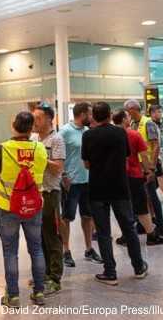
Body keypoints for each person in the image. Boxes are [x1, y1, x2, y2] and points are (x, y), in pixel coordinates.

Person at [82, 102, 148, 285]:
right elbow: (127, 155)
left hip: (97, 189)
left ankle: (110, 272)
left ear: (93, 116)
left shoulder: (88, 135)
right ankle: (139, 267)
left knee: (103, 232)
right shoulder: (120, 133)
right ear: (110, 115)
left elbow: (86, 164)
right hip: (120, 187)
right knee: (129, 228)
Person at [0, 111, 48, 307]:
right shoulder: (40, 148)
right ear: (31, 127)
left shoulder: (3, 148)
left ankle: (13, 296)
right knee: (37, 249)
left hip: (8, 206)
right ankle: (39, 292)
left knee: (10, 252)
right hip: (34, 206)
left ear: (13, 125)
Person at [112, 109, 163, 246]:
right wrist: (149, 171)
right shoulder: (134, 135)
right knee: (141, 207)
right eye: (127, 116)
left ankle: (126, 235)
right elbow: (143, 156)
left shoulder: (111, 134)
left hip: (118, 176)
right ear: (124, 119)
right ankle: (151, 235)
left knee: (124, 207)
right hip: (135, 175)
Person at [58, 102, 102, 268]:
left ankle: (89, 248)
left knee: (87, 216)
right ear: (82, 114)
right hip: (71, 182)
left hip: (87, 181)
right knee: (67, 217)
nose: (92, 117)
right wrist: (63, 175)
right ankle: (66, 251)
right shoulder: (64, 132)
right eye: (90, 114)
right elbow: (57, 154)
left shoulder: (87, 132)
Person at [32, 104, 65, 297]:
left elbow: (58, 168)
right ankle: (44, 273)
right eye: (33, 118)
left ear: (49, 119)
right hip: (36, 192)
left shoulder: (57, 139)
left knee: (52, 235)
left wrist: (39, 157)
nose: (34, 122)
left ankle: (55, 278)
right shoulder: (34, 138)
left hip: (50, 193)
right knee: (40, 235)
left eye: (38, 118)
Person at [124, 100, 163, 237]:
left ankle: (161, 226)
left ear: (132, 109)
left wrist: (152, 168)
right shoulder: (132, 124)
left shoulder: (148, 123)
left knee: (152, 197)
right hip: (138, 167)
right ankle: (144, 225)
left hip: (148, 166)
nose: (126, 113)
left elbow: (156, 145)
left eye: (127, 110)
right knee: (143, 198)